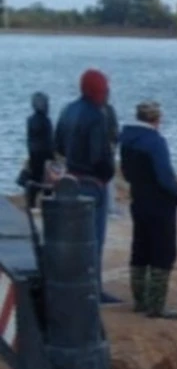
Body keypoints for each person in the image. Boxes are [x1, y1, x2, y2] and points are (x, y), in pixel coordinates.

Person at [54, 68, 119, 304]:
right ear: (99, 89)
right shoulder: (95, 115)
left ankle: (73, 288)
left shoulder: (68, 110)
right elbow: (99, 156)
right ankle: (93, 291)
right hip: (92, 183)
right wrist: (107, 174)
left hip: (70, 179)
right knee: (93, 240)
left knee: (73, 240)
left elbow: (59, 145)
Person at [119, 101, 177, 319]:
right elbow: (164, 175)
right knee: (163, 252)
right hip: (160, 203)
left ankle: (140, 300)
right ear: (156, 119)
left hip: (139, 199)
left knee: (140, 249)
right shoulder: (156, 142)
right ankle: (157, 305)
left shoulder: (126, 140)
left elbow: (126, 173)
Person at [25, 92, 54, 211]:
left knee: (34, 179)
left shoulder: (30, 120)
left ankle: (31, 204)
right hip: (45, 154)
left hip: (33, 153)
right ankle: (47, 203)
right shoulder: (46, 121)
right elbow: (49, 140)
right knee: (47, 181)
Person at [104, 94, 120, 217]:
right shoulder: (109, 110)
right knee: (109, 179)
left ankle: (109, 206)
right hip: (108, 147)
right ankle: (111, 207)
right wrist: (114, 144)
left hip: (101, 148)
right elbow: (115, 129)